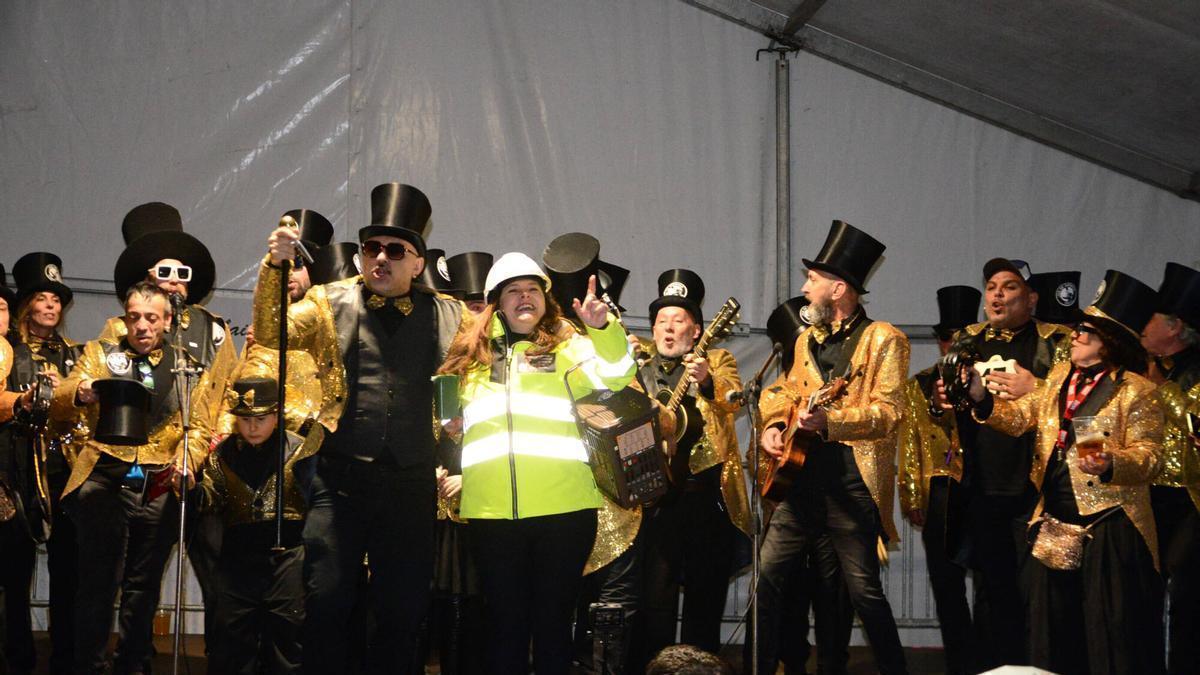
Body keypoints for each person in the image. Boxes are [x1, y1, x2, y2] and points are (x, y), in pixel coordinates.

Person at [254, 182, 469, 672]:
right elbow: (271, 333)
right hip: (340, 478)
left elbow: (489, 361)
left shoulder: (451, 314)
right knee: (325, 600)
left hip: (413, 483)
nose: (381, 258)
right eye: (373, 247)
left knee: (404, 610)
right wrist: (274, 269)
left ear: (418, 263)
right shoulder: (329, 302)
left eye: (397, 250)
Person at [948, 270, 1164, 675]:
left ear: (1109, 342)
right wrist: (981, 399)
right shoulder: (1062, 377)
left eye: (1085, 331)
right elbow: (1021, 418)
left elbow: (1152, 457)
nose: (1075, 335)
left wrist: (1112, 462)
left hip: (1110, 527)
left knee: (1108, 630)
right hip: (1055, 519)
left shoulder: (1137, 391)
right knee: (1050, 629)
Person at [438, 251, 635, 674]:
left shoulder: (570, 347)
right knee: (504, 627)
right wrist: (450, 423)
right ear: (495, 301)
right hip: (491, 514)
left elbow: (618, 376)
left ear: (546, 299)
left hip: (564, 513)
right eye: (513, 291)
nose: (525, 298)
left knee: (551, 627)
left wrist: (603, 328)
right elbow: (446, 418)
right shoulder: (469, 359)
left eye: (533, 290)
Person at [753, 220, 908, 674]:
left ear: (838, 289)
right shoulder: (805, 340)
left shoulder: (884, 339)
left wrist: (831, 422)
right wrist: (774, 424)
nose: (804, 289)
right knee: (766, 578)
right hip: (798, 484)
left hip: (851, 487)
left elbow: (889, 412)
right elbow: (780, 393)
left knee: (864, 593)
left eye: (813, 281)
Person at [51, 281, 221, 674]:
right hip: (104, 479)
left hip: (158, 482)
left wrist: (186, 462)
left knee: (143, 588)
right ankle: (89, 665)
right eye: (134, 317)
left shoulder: (185, 367)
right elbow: (61, 398)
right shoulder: (100, 353)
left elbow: (198, 427)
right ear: (124, 318)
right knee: (97, 583)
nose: (142, 326)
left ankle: (132, 663)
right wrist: (81, 392)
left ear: (166, 321)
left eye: (151, 318)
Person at [103, 202, 236, 652]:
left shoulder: (215, 330)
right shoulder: (121, 330)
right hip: (148, 475)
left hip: (206, 469)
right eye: (166, 270)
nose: (177, 280)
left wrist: (201, 451)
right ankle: (134, 659)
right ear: (146, 277)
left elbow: (229, 396)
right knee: (140, 578)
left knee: (220, 575)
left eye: (184, 272)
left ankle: (221, 661)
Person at [946, 257, 1073, 670]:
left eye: (1009, 286)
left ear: (1032, 298)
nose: (997, 294)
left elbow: (1077, 400)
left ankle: (1037, 666)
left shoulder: (1057, 340)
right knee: (989, 587)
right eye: (992, 287)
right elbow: (944, 393)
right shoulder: (968, 338)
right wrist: (942, 397)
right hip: (981, 481)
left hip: (1036, 486)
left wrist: (1035, 386)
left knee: (1039, 591)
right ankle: (994, 667)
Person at [636, 269, 751, 662]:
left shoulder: (717, 359)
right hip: (656, 499)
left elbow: (733, 401)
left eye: (678, 320)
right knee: (656, 596)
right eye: (661, 321)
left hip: (705, 496)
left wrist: (705, 381)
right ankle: (657, 666)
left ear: (698, 329)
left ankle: (701, 667)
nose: (669, 329)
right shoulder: (640, 368)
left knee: (706, 593)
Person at [198, 376, 321, 675]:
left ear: (277, 415)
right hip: (238, 558)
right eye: (244, 420)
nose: (252, 427)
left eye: (261, 419)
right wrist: (190, 487)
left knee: (287, 636)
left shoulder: (299, 451)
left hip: (287, 555)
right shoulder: (222, 455)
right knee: (232, 640)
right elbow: (211, 500)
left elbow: (316, 500)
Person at [897, 285, 980, 675]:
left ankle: (989, 655)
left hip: (979, 487)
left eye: (960, 338)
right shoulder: (921, 382)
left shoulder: (987, 382)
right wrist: (912, 495)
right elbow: (910, 440)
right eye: (947, 338)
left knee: (987, 581)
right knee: (945, 583)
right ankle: (960, 660)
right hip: (939, 488)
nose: (952, 345)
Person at [1141, 262, 1200, 675]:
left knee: (1186, 600)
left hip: (1190, 501)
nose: (1142, 326)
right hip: (1146, 495)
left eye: (1152, 318)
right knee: (1140, 594)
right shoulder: (1142, 366)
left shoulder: (1195, 371)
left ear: (1175, 326)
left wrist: (1162, 394)